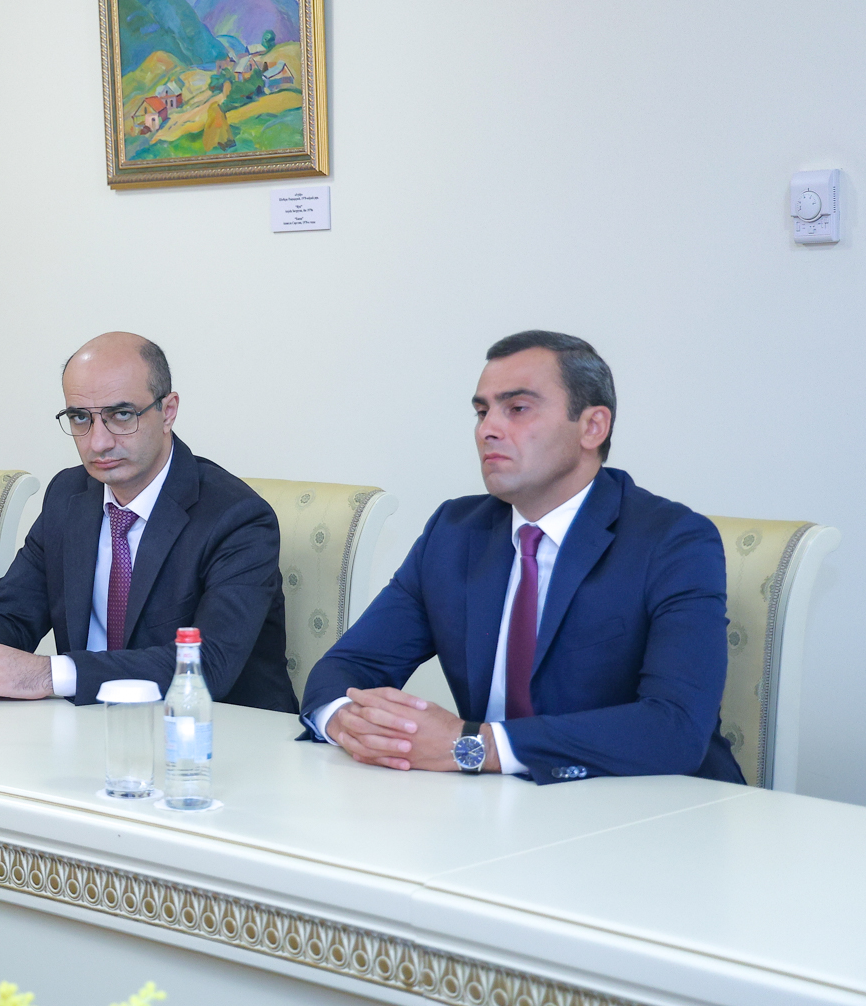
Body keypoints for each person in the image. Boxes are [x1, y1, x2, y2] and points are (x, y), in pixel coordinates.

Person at [303, 331, 743, 785]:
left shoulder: (673, 541)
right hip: (499, 807)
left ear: (592, 427)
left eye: (517, 408)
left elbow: (675, 727)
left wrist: (476, 745)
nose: (487, 430)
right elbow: (346, 668)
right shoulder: (454, 532)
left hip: (655, 805)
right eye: (482, 412)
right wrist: (347, 721)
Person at [0, 332, 295, 711]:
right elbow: (8, 611)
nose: (98, 442)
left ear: (168, 411)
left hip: (220, 731)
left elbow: (209, 664)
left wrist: (48, 674)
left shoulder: (237, 517)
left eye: (121, 415)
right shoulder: (69, 496)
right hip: (88, 727)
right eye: (80, 418)